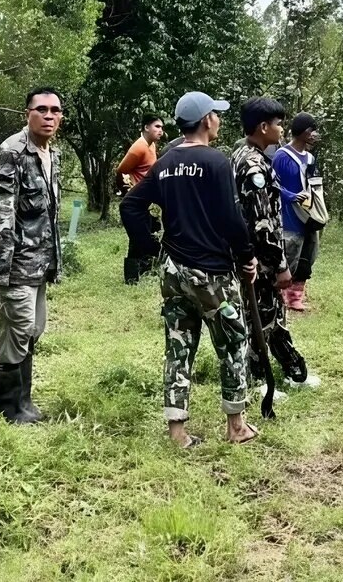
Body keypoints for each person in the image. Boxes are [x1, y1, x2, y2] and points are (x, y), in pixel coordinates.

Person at [120, 91, 260, 447]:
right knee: (233, 342)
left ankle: (178, 432)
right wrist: (247, 257)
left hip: (173, 271)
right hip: (211, 272)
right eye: (216, 114)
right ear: (206, 120)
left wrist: (152, 248)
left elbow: (131, 206)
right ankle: (236, 426)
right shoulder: (215, 161)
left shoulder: (165, 161)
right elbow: (232, 218)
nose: (219, 120)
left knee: (179, 345)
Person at [0, 87, 64, 425]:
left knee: (34, 328)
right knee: (17, 329)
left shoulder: (50, 154)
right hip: (15, 264)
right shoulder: (11, 152)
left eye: (55, 110)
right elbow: (1, 214)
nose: (49, 116)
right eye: (41, 109)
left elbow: (49, 214)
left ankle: (23, 401)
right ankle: (9, 406)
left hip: (40, 262)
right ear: (27, 113)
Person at [231, 98, 310, 396]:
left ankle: (291, 370)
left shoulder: (243, 154)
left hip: (251, 255)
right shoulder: (253, 163)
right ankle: (258, 382)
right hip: (259, 259)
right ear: (263, 127)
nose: (281, 129)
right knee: (260, 319)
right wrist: (279, 265)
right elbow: (262, 223)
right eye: (278, 124)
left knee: (270, 315)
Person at [273, 113, 322, 314]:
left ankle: (296, 297)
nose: (314, 135)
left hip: (309, 216)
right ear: (302, 132)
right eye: (312, 130)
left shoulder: (310, 158)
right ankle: (280, 297)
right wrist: (291, 196)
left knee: (307, 257)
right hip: (289, 218)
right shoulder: (282, 157)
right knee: (289, 256)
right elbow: (272, 185)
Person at [117, 115, 164, 284]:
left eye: (161, 127)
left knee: (146, 230)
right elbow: (121, 170)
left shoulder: (151, 145)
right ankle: (132, 276)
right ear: (146, 128)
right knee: (140, 235)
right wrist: (129, 190)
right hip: (136, 198)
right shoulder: (139, 147)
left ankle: (141, 269)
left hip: (146, 198)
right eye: (157, 126)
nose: (161, 131)